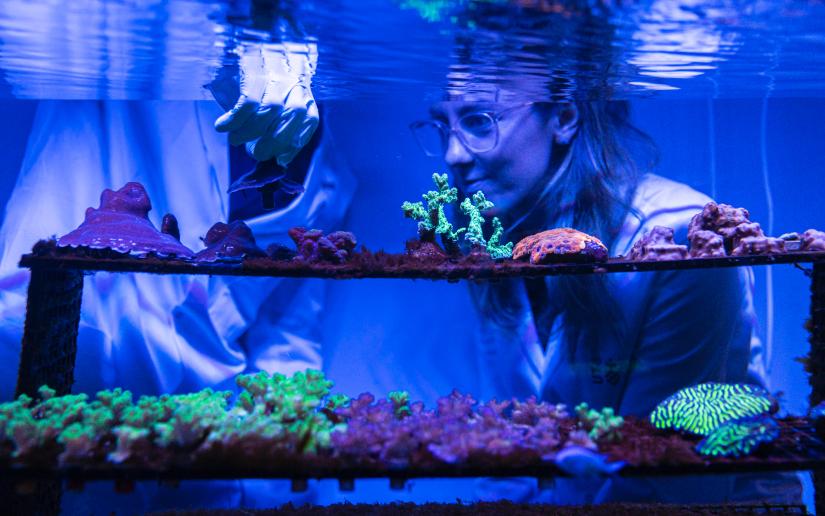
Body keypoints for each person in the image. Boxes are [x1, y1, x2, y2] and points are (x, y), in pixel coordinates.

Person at [0, 1, 355, 512]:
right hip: (59, 430)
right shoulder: (126, 57)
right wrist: (257, 23)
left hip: (205, 467)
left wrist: (274, 490)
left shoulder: (330, 181)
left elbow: (285, 342)